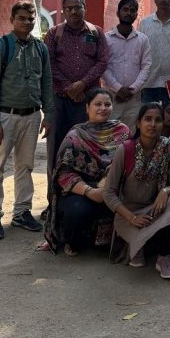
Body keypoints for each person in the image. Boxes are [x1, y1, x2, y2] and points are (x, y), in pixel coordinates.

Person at [0, 1, 54, 241]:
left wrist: (48, 114)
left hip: (32, 116)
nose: (27, 22)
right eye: (21, 18)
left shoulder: (41, 48)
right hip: (4, 117)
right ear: (12, 19)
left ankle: (22, 212)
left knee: (25, 166)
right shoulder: (0, 47)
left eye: (31, 18)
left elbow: (46, 83)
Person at [103, 102, 170, 277]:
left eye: (158, 120)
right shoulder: (125, 150)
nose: (152, 124)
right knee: (137, 260)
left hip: (155, 212)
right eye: (148, 119)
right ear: (138, 123)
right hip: (128, 215)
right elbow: (108, 193)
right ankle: (138, 245)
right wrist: (132, 217)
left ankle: (163, 258)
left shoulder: (167, 148)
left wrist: (166, 191)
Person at [45, 87, 131, 256]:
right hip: (83, 190)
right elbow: (64, 173)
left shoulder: (122, 131)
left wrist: (109, 186)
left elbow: (130, 161)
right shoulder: (76, 135)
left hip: (114, 188)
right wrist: (91, 192)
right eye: (98, 104)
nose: (103, 108)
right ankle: (74, 242)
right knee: (77, 211)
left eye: (107, 104)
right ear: (87, 108)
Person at [44, 0, 109, 181]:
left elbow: (102, 62)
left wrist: (82, 84)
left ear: (84, 8)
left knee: (87, 147)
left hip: (88, 103)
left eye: (77, 7)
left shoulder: (96, 33)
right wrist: (69, 88)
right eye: (69, 8)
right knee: (57, 148)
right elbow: (49, 64)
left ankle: (85, 190)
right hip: (60, 101)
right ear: (63, 11)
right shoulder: (54, 33)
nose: (73, 11)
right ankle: (54, 194)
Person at [103, 0, 152, 128]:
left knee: (130, 133)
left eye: (132, 10)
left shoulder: (143, 40)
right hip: (112, 96)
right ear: (117, 13)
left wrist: (132, 90)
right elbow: (103, 66)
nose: (128, 13)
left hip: (134, 98)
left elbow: (146, 66)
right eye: (125, 9)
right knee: (109, 132)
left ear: (136, 15)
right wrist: (118, 89)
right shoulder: (106, 39)